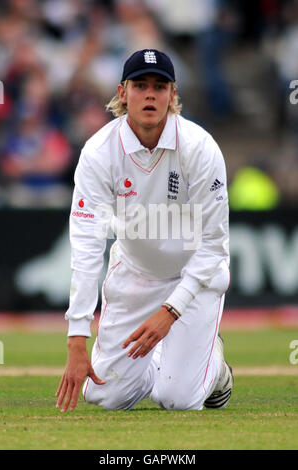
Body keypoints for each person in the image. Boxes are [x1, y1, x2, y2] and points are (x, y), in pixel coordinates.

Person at [56, 49, 233, 412]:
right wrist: (77, 337)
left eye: (159, 86)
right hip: (135, 274)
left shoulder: (199, 148)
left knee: (178, 400)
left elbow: (214, 244)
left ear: (172, 95)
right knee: (104, 395)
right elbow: (87, 246)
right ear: (123, 93)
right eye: (140, 85)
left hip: (193, 279)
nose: (150, 95)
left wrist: (171, 311)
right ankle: (171, 365)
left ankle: (213, 369)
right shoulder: (98, 152)